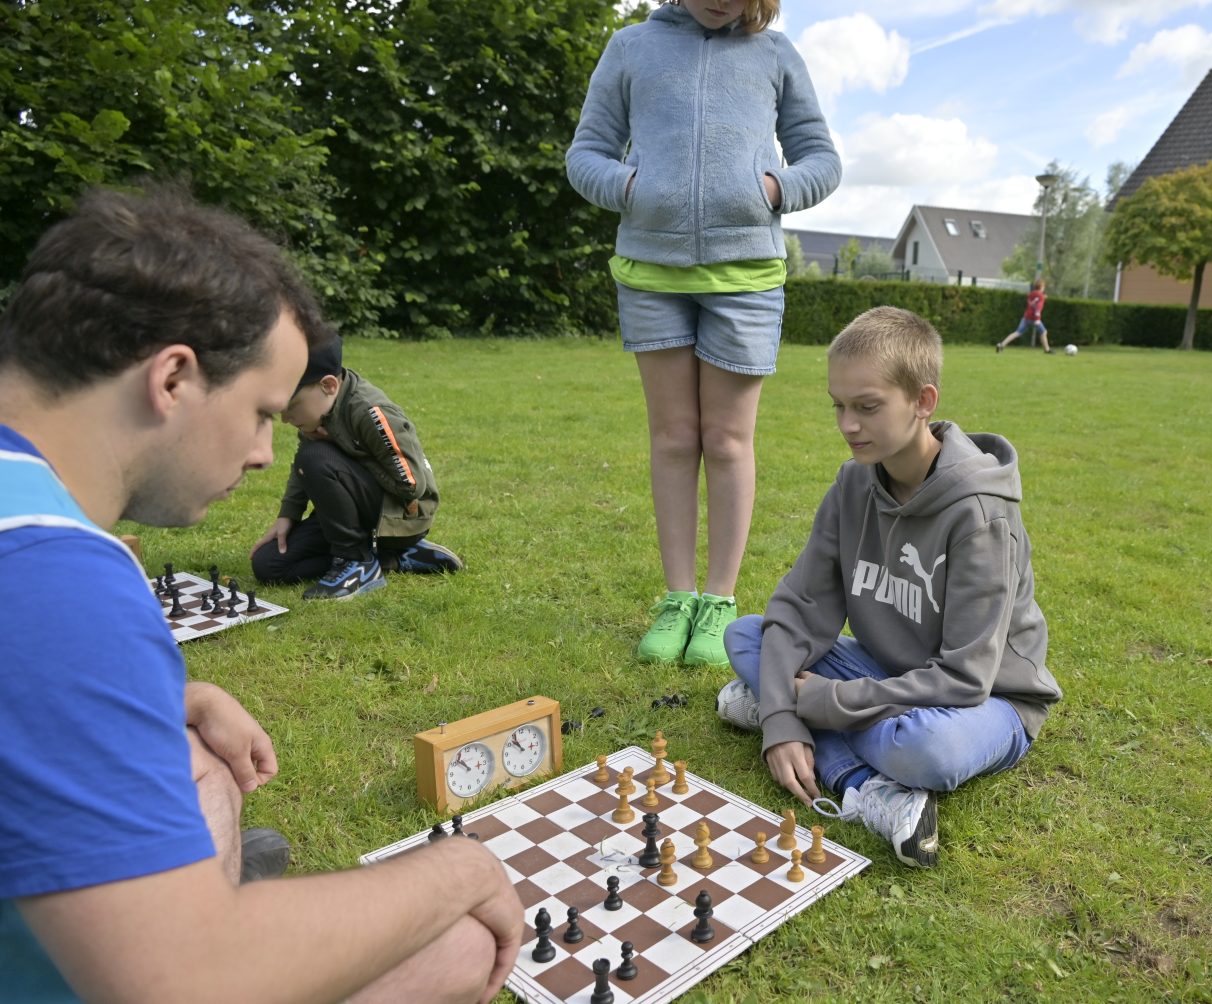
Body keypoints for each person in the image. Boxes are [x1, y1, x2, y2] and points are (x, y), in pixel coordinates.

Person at [0, 187, 522, 1003]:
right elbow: (185, 983)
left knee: (203, 764)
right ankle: (199, 904)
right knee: (458, 945)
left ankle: (185, 887)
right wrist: (465, 867)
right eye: (260, 414)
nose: (261, 453)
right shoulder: (55, 578)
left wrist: (182, 694)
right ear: (173, 377)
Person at [715, 306, 1062, 867]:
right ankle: (870, 787)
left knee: (926, 751)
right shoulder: (852, 485)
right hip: (888, 675)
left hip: (988, 702)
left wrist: (826, 702)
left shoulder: (979, 514)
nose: (847, 425)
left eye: (867, 406)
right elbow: (799, 609)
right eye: (839, 405)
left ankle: (823, 747)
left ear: (923, 401)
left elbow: (966, 676)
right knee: (749, 635)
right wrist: (783, 721)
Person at [566, 0, 841, 668]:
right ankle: (677, 599)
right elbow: (586, 154)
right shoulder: (631, 48)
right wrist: (634, 188)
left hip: (746, 276)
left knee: (726, 440)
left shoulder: (775, 55)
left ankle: (718, 603)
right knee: (673, 439)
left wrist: (771, 189)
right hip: (651, 272)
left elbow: (822, 160)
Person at [250, 334, 464, 600]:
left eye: (291, 406)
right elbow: (304, 466)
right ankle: (392, 558)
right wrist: (288, 515)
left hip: (401, 516)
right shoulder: (320, 413)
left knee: (315, 456)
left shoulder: (371, 412)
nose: (284, 418)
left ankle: (357, 561)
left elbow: (411, 485)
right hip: (357, 514)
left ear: (328, 385)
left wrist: (339, 446)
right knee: (269, 564)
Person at [995, 279, 1052, 353]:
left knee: (1017, 332)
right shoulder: (1041, 296)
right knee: (1043, 332)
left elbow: (1034, 300)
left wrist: (1043, 297)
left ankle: (1001, 345)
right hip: (1034, 318)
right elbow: (1038, 307)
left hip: (1026, 317)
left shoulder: (1031, 294)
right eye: (1043, 286)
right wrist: (1037, 319)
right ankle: (1047, 350)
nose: (1044, 288)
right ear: (1041, 287)